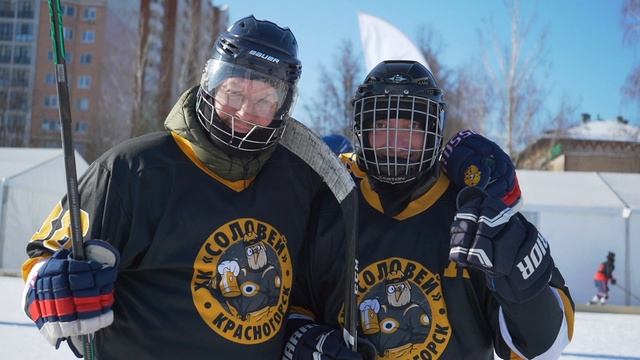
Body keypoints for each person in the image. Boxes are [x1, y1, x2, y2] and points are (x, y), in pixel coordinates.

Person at [21, 16, 347, 359]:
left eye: (264, 101)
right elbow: (44, 256)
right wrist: (51, 282)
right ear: (211, 84)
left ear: (283, 107)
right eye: (233, 93)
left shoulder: (298, 181)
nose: (243, 112)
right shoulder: (134, 169)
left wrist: (304, 329)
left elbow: (315, 282)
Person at [286, 60, 575, 359]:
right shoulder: (332, 201)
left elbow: (544, 347)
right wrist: (307, 342)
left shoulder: (472, 209)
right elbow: (292, 306)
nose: (396, 141)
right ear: (363, 129)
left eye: (411, 126)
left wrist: (524, 286)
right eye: (383, 125)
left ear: (434, 131)